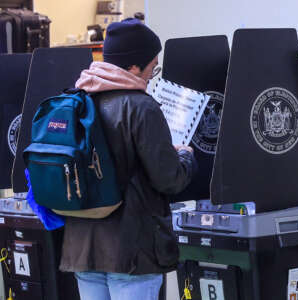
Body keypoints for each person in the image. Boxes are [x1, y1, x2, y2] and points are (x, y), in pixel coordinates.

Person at [59, 18, 196, 300]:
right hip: (131, 251)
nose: (151, 75)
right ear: (133, 67)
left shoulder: (74, 101)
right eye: (152, 67)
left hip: (83, 248)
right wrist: (185, 157)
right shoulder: (141, 107)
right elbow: (168, 178)